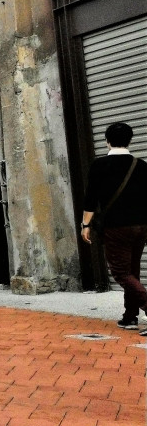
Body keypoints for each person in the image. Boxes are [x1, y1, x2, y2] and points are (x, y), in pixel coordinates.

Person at [80, 122, 147, 334]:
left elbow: (90, 199)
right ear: (130, 140)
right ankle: (130, 317)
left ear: (107, 141)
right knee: (132, 271)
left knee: (120, 272)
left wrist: (85, 224)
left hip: (116, 227)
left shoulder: (99, 166)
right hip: (141, 226)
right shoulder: (141, 165)